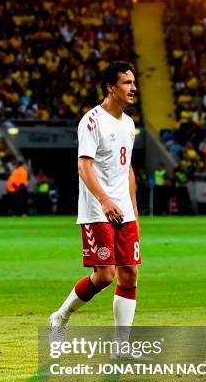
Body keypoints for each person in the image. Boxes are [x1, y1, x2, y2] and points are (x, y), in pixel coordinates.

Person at [50, 61, 140, 348]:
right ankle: (61, 317)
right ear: (111, 87)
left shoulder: (129, 124)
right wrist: (104, 200)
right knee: (105, 275)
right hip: (97, 210)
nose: (133, 88)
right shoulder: (91, 121)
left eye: (134, 83)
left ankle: (121, 347)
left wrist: (133, 211)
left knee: (129, 274)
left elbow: (128, 170)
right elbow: (84, 166)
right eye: (127, 83)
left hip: (123, 211)